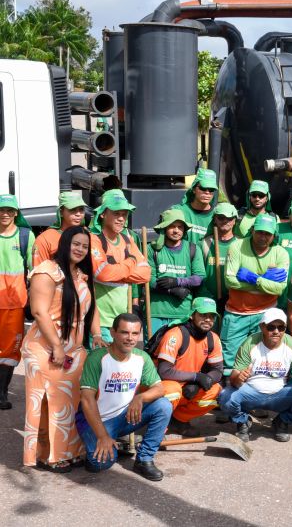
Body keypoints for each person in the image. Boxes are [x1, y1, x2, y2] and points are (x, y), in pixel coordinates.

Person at [22, 227, 103, 471]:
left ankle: (70, 451)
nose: (80, 249)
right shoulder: (47, 271)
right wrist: (57, 346)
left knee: (71, 402)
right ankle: (48, 456)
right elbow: (38, 311)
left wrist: (97, 334)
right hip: (45, 346)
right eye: (76, 244)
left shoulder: (81, 274)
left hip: (75, 349)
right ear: (65, 243)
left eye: (85, 246)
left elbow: (92, 308)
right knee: (50, 402)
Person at [76, 313, 172, 481]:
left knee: (163, 405)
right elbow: (87, 399)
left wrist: (140, 398)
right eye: (124, 332)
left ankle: (144, 459)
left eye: (135, 333)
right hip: (97, 421)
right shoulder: (97, 358)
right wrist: (102, 436)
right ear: (113, 332)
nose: (130, 338)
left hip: (125, 417)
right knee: (101, 464)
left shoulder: (142, 357)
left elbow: (159, 388)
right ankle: (103, 445)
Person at [218, 308, 292, 443]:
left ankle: (282, 422)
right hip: (251, 392)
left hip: (280, 394)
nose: (276, 331)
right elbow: (234, 380)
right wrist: (239, 378)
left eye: (281, 327)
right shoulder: (250, 343)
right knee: (225, 396)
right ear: (262, 327)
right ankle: (243, 422)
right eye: (271, 327)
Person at [222, 213, 289, 377]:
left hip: (265, 313)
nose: (263, 237)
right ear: (252, 230)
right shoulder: (237, 246)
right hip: (236, 313)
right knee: (230, 361)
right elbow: (229, 281)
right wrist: (266, 281)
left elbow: (279, 289)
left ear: (274, 235)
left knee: (264, 359)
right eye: (259, 232)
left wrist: (255, 279)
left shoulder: (280, 253)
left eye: (267, 234)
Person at [89, 190, 151, 343]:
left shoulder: (127, 239)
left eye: (124, 214)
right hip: (99, 324)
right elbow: (102, 273)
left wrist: (117, 271)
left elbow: (145, 273)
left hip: (121, 322)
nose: (121, 218)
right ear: (103, 214)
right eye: (116, 213)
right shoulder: (94, 239)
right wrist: (131, 262)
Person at [155, 297, 223, 435]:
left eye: (212, 316)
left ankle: (179, 421)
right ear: (192, 315)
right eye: (203, 315)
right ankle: (157, 429)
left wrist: (198, 384)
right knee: (173, 390)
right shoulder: (175, 334)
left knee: (216, 391)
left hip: (188, 385)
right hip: (161, 385)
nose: (208, 319)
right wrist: (196, 377)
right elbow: (164, 371)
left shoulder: (213, 338)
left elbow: (217, 370)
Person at [147, 209, 205, 335]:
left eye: (180, 227)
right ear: (163, 228)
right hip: (156, 312)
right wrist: (172, 291)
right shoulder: (151, 249)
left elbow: (198, 278)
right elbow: (149, 280)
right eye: (172, 226)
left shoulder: (193, 248)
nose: (176, 230)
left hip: (183, 313)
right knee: (154, 346)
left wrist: (177, 281)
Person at [0, 194, 34, 408]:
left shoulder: (25, 236)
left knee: (10, 352)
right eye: (1, 210)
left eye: (9, 210)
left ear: (15, 213)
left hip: (14, 305)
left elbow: (35, 269)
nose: (5, 214)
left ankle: (2, 393)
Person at [198, 202, 239, 315]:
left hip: (233, 301)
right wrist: (207, 295)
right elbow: (198, 274)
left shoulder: (240, 244)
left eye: (229, 218)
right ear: (215, 219)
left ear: (235, 221)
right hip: (207, 302)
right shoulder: (204, 244)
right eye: (221, 217)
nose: (225, 221)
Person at [32, 191, 87, 266]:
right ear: (61, 212)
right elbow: (38, 270)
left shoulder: (88, 236)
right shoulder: (45, 239)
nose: (78, 214)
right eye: (72, 209)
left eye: (81, 209)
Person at [171, 168, 219, 244]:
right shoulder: (178, 211)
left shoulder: (219, 216)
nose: (207, 192)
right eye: (203, 188)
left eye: (211, 189)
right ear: (193, 189)